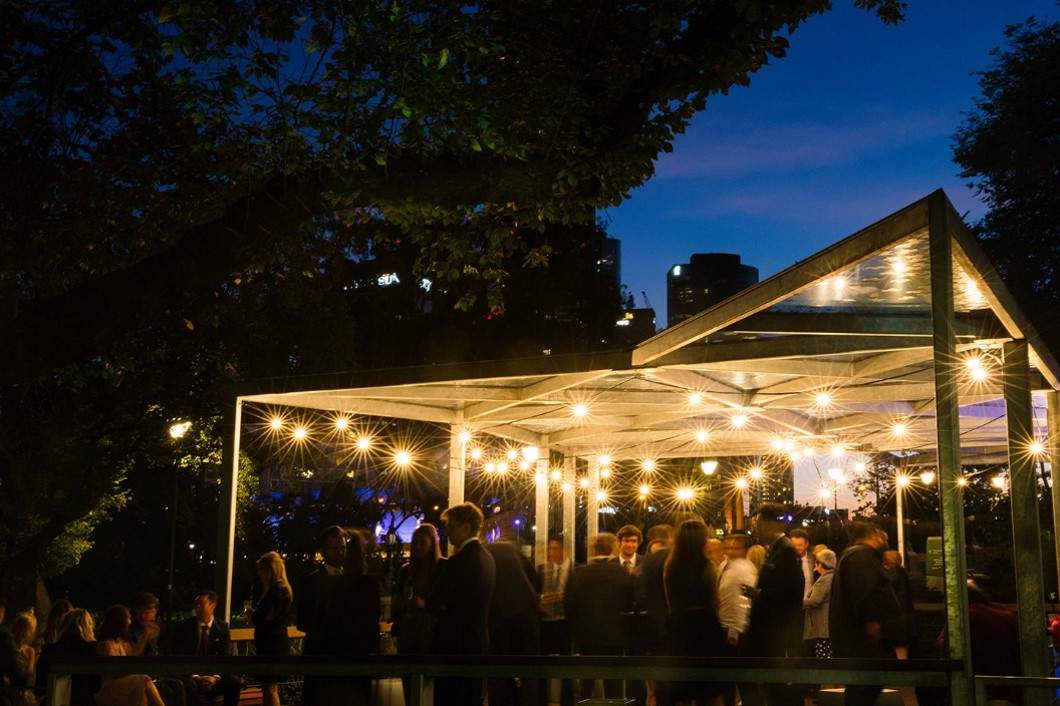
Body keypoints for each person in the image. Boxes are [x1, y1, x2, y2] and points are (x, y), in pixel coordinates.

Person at [429, 503, 496, 706]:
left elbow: (438, 602)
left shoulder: (458, 563)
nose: (446, 531)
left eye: (451, 526)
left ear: (466, 528)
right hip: (477, 645)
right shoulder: (487, 558)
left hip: (454, 649)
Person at [830, 523, 902, 706]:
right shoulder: (862, 556)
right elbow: (865, 592)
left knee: (862, 688)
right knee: (864, 688)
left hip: (857, 640)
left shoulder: (853, 555)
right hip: (863, 641)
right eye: (881, 535)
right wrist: (872, 622)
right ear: (872, 535)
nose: (885, 539)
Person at [740, 504, 804, 706]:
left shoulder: (784, 551)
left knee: (776, 688)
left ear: (770, 524)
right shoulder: (777, 549)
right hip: (773, 632)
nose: (755, 529)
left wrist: (759, 594)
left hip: (776, 633)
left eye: (757, 524)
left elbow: (788, 592)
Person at [312, 535, 380, 706]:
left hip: (333, 660)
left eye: (343, 549)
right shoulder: (368, 585)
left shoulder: (337, 586)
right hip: (357, 659)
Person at [564, 533, 633, 701]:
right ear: (613, 548)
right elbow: (629, 603)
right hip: (614, 636)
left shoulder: (579, 573)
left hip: (587, 636)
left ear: (594, 549)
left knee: (586, 682)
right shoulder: (621, 572)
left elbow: (569, 605)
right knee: (614, 683)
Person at [664, 519, 724, 706]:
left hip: (679, 630)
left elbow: (670, 601)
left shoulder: (671, 566)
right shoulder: (707, 567)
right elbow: (714, 602)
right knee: (707, 690)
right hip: (705, 631)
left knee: (682, 689)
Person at [485, 539, 540, 706]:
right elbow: (535, 580)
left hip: (498, 617)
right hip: (526, 616)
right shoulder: (515, 552)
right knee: (528, 670)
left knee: (500, 671)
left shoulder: (485, 553)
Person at [393, 524, 442, 706]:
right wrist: (400, 603)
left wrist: (424, 604)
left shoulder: (441, 569)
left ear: (432, 544)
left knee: (431, 689)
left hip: (432, 636)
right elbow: (396, 600)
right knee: (410, 687)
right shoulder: (406, 570)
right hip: (408, 633)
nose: (418, 547)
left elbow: (447, 604)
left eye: (423, 543)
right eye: (415, 543)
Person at [295, 525, 345, 706]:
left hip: (345, 656)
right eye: (335, 548)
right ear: (323, 552)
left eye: (343, 547)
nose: (340, 552)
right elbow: (302, 620)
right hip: (321, 653)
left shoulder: (354, 579)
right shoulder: (311, 581)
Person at [171, 592, 240, 706]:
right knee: (188, 685)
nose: (197, 608)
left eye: (201, 605)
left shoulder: (222, 628)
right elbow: (179, 656)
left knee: (233, 682)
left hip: (213, 676)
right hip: (191, 675)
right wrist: (197, 677)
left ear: (213, 606)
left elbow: (225, 657)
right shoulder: (184, 628)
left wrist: (215, 677)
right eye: (196, 605)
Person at [94, 605, 166, 706]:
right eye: (128, 618)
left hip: (125, 682)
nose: (130, 622)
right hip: (110, 687)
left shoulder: (123, 642)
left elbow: (134, 658)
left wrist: (145, 635)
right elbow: (113, 672)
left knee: (142, 691)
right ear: (119, 621)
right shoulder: (105, 644)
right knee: (143, 679)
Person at [250, 552, 292, 706]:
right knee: (270, 687)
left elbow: (265, 617)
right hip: (277, 641)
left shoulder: (274, 591)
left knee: (269, 688)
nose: (259, 574)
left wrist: (253, 615)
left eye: (261, 570)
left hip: (271, 644)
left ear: (269, 570)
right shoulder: (284, 589)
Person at [538, 537, 572, 706]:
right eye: (550, 549)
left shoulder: (576, 570)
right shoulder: (542, 570)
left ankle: (567, 700)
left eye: (556, 548)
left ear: (566, 550)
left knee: (567, 666)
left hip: (567, 624)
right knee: (544, 665)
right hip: (546, 623)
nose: (552, 552)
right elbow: (534, 593)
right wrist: (541, 600)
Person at [718, 534, 757, 650]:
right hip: (723, 624)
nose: (731, 551)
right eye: (728, 547)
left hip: (734, 628)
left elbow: (745, 601)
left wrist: (735, 630)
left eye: (736, 548)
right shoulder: (725, 565)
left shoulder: (745, 568)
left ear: (745, 550)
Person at [882, 549, 917, 658]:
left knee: (899, 648)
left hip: (896, 618)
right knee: (901, 648)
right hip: (905, 616)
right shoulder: (903, 572)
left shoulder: (892, 573)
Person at [803, 549, 836, 659]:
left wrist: (799, 602)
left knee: (823, 659)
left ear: (821, 564)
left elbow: (815, 600)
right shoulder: (833, 577)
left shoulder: (824, 580)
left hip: (822, 627)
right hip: (828, 626)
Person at [9, 612, 37, 706]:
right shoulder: (8, 648)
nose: (21, 632)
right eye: (20, 628)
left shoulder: (30, 651)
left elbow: (29, 673)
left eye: (25, 629)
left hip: (23, 691)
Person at [789, 529, 814, 600]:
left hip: (810, 604)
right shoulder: (785, 561)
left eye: (800, 545)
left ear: (807, 544)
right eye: (793, 545)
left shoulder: (814, 560)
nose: (796, 548)